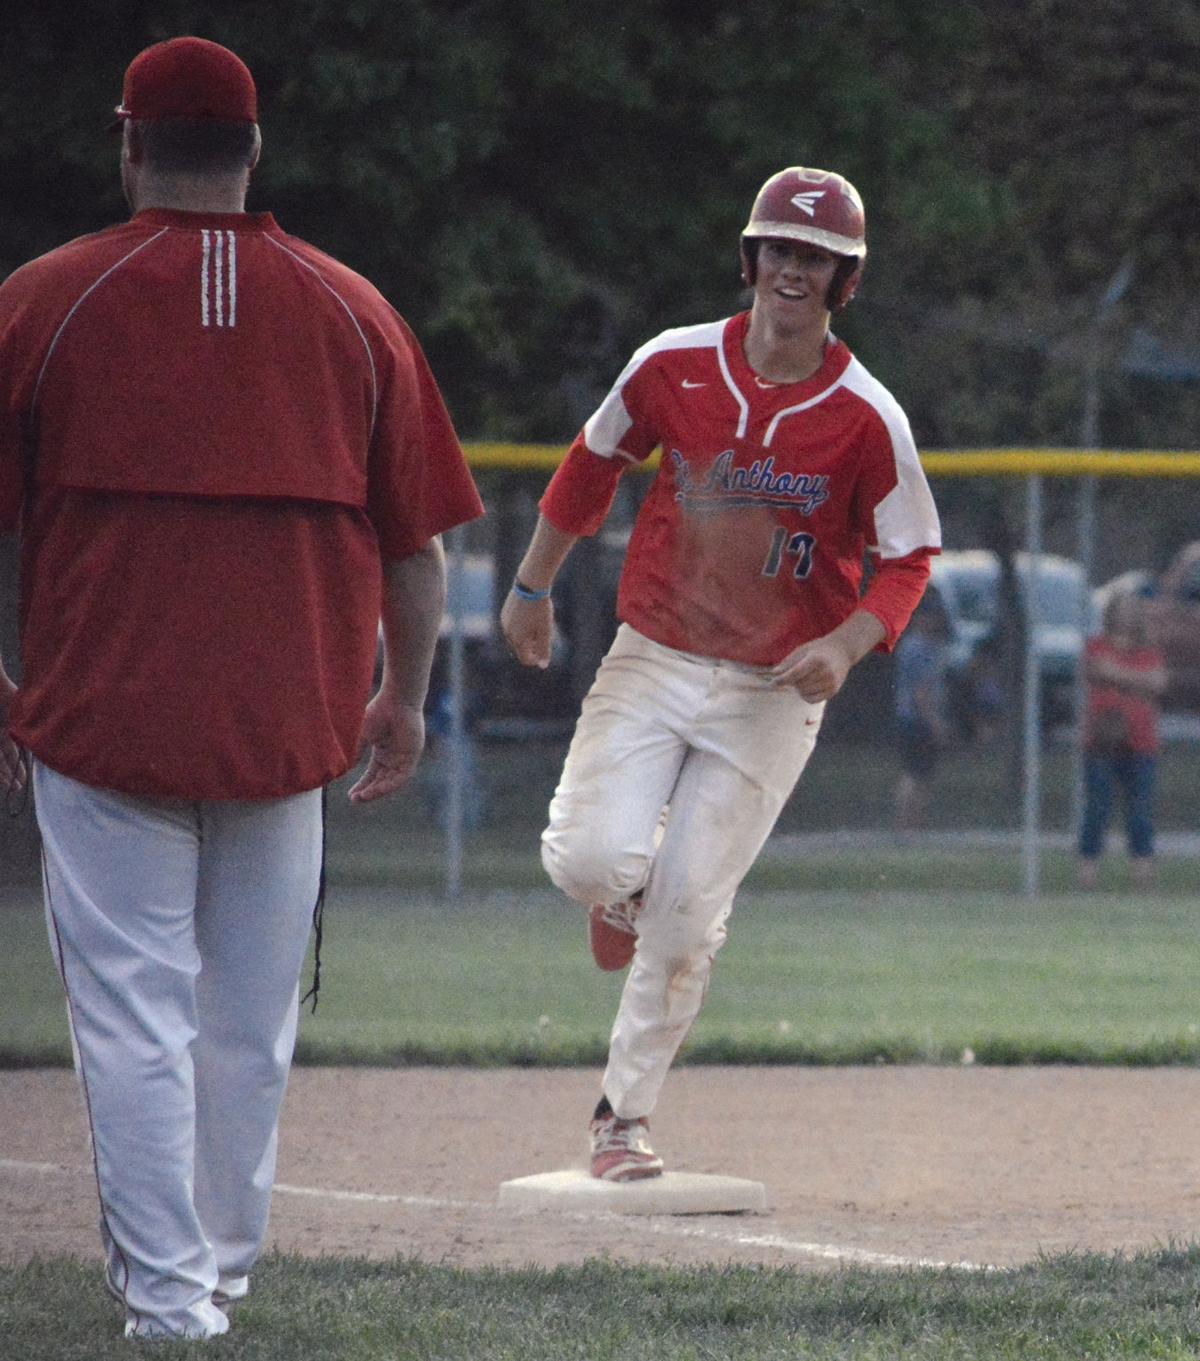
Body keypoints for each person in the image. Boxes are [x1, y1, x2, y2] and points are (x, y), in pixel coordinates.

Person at [0, 37, 482, 1339]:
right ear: (255, 149)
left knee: (135, 1018)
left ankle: (172, 1300)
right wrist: (404, 698)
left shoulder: (43, 300)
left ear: (129, 145)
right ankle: (214, 1269)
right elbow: (417, 550)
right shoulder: (352, 309)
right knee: (249, 1023)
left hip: (104, 723)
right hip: (287, 730)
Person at [501, 166, 941, 1182]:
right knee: (589, 861)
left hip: (772, 693)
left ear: (844, 281)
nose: (794, 270)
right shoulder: (673, 363)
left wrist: (846, 644)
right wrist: (529, 586)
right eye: (780, 248)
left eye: (817, 258)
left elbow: (910, 558)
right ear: (752, 259)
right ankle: (622, 897)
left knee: (689, 917)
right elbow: (591, 463)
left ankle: (622, 1120)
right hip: (654, 654)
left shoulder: (867, 414)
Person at [1077, 590, 1166, 889]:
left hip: (1142, 743)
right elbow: (1099, 668)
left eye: (1131, 609)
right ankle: (1087, 874)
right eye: (1120, 608)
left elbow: (1159, 682)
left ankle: (1142, 874)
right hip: (1102, 744)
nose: (1125, 615)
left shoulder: (1148, 651)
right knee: (1097, 808)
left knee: (1140, 812)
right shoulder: (1096, 646)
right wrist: (1139, 681)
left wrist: (1118, 676)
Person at [892, 594, 952, 832]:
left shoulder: (927, 647)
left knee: (922, 774)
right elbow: (920, 691)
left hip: (916, 718)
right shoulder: (918, 649)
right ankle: (906, 824)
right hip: (916, 720)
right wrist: (935, 722)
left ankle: (913, 825)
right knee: (915, 773)